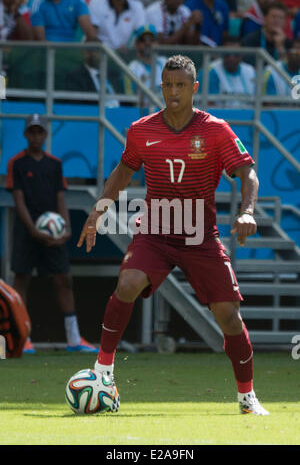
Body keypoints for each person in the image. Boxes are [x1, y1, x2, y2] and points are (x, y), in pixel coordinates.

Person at [77, 54, 269, 415]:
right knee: (128, 282)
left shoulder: (216, 130)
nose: (174, 92)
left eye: (181, 85)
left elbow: (248, 173)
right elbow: (123, 172)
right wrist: (97, 211)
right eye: (168, 85)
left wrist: (246, 212)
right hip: (156, 230)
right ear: (161, 87)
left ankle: (247, 396)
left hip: (200, 235)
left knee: (228, 316)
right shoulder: (142, 130)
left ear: (194, 88)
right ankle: (103, 371)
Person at [5, 114, 98, 353]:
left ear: (46, 134)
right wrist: (34, 230)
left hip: (54, 229)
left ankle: (74, 339)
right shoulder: (17, 163)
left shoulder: (54, 164)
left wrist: (66, 228)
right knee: (21, 280)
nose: (36, 136)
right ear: (26, 134)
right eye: (32, 132)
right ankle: (22, 337)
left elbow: (60, 198)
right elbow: (19, 200)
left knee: (64, 279)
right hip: (28, 231)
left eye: (40, 132)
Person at [197, 36, 256, 107]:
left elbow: (258, 103)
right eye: (227, 54)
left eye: (236, 54)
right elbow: (208, 108)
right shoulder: (210, 71)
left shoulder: (250, 71)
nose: (231, 58)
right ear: (221, 53)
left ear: (242, 55)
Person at [124, 25, 167, 107]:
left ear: (157, 43)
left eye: (152, 40)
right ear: (136, 44)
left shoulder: (166, 63)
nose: (148, 43)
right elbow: (130, 101)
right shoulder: (131, 68)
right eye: (143, 40)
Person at [30, 0, 98, 42]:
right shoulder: (37, 3)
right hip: (48, 51)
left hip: (72, 48)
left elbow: (90, 33)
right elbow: (40, 39)